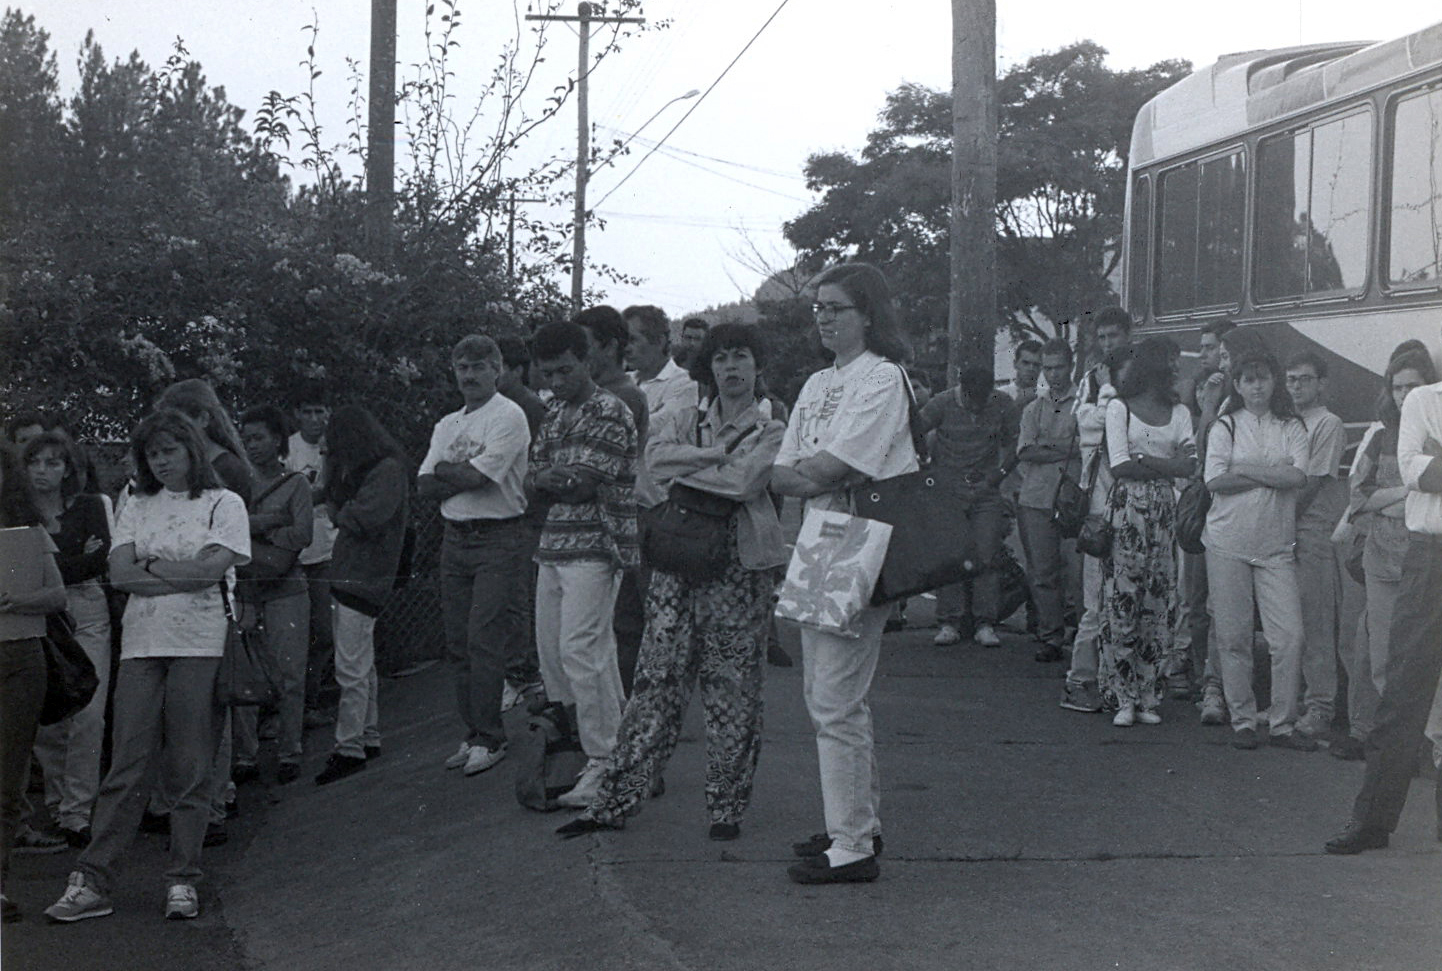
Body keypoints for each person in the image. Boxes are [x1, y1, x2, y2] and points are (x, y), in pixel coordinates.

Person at [557, 323, 785, 841]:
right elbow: (652, 462)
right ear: (709, 367)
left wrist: (689, 471)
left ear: (757, 366)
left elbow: (746, 482)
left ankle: (726, 809)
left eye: (741, 357)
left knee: (733, 691)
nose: (731, 368)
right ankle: (616, 801)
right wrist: (714, 459)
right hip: (676, 567)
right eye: (722, 358)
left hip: (739, 572)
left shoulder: (772, 428)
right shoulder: (684, 416)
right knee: (654, 684)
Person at [44, 409, 249, 923]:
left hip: (201, 642)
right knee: (127, 762)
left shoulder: (225, 503)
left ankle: (183, 879)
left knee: (190, 764)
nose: (160, 461)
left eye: (169, 450)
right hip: (142, 642)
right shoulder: (134, 502)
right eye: (152, 453)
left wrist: (152, 567)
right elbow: (120, 573)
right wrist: (176, 573)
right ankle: (92, 880)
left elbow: (213, 571)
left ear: (191, 451)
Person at [770, 261, 917, 885]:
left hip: (858, 537)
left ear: (868, 314)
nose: (824, 318)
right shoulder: (814, 383)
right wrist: (818, 471)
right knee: (824, 694)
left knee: (836, 697)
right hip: (820, 537)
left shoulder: (884, 379)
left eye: (836, 308)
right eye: (819, 309)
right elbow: (782, 473)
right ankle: (854, 824)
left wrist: (818, 471)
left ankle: (852, 844)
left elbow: (827, 469)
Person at [1324, 365, 1442, 853]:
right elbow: (1416, 472)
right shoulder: (1423, 401)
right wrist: (1430, 469)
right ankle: (1372, 822)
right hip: (1430, 557)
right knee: (1403, 692)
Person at [527, 320, 640, 808]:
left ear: (587, 360)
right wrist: (550, 477)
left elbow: (584, 482)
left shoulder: (611, 410)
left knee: (581, 651)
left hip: (597, 545)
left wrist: (549, 477)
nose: (556, 381)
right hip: (552, 547)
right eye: (549, 373)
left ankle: (606, 760)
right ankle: (621, 753)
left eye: (565, 370)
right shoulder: (553, 412)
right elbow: (534, 477)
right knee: (556, 653)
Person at [418, 335, 531, 778]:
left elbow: (482, 477)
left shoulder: (509, 415)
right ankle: (474, 731)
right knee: (458, 643)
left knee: (485, 639)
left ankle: (492, 736)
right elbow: (425, 483)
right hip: (455, 538)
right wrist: (456, 473)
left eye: (479, 366)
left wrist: (453, 471)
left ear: (497, 369)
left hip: (498, 538)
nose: (469, 375)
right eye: (462, 367)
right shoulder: (446, 424)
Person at [148, 378, 253, 844]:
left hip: (219, 596)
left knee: (215, 706)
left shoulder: (226, 469)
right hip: (177, 603)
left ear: (203, 420)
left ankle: (213, 802)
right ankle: (187, 799)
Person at [1203, 345, 1315, 751]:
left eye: (1263, 378)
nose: (1257, 386)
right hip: (1226, 543)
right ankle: (1244, 721)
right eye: (1248, 379)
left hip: (1275, 549)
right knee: (1233, 636)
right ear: (1238, 384)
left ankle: (1283, 724)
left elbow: (1298, 477)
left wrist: (1245, 469)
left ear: (1274, 381)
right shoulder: (1225, 426)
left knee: (1289, 637)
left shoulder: (1292, 426)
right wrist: (1272, 474)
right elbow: (1214, 481)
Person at [1098, 340, 1196, 725]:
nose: (1174, 369)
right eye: (1169, 363)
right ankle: (1121, 695)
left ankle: (1147, 694)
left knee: (1159, 601)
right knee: (1123, 600)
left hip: (1164, 513)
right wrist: (1168, 465)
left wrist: (1151, 461)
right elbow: (1121, 465)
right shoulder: (1118, 408)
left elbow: (1190, 465)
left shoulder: (1180, 412)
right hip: (1127, 512)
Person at [313, 406, 409, 785]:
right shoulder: (382, 468)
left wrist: (338, 509)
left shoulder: (386, 470)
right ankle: (367, 736)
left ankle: (348, 746)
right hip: (358, 574)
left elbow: (363, 517)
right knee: (360, 663)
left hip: (363, 574)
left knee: (350, 667)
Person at [25, 431, 112, 846]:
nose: (44, 471)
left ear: (68, 469)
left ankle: (79, 810)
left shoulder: (92, 506)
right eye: (35, 462)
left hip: (86, 609)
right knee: (49, 716)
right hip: (41, 613)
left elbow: (100, 559)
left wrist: (58, 566)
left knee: (89, 713)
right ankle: (60, 806)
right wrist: (73, 560)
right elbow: (22, 571)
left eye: (54, 462)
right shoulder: (17, 513)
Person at [0, 446, 67, 923]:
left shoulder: (27, 530)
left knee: (6, 780)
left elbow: (58, 594)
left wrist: (17, 600)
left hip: (20, 656)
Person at [232, 406, 313, 786]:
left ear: (277, 440)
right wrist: (268, 523)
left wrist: (253, 535)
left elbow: (302, 536)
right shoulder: (237, 484)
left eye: (259, 437)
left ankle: (289, 750)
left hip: (286, 589)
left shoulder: (296, 483)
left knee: (290, 673)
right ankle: (246, 755)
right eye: (246, 439)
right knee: (245, 674)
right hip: (248, 589)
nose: (252, 446)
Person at [1059, 308, 1134, 714]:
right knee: (1095, 598)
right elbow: (1090, 426)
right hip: (1098, 502)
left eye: (1113, 336)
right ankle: (1080, 680)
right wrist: (1106, 392)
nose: (1107, 345)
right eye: (1101, 338)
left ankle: (1117, 680)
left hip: (1134, 500)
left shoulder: (1139, 373)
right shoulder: (1092, 379)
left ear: (1128, 334)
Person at [575, 306, 651, 692]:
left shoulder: (625, 397)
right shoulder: (591, 394)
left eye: (585, 345)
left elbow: (587, 472)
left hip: (614, 525)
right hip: (589, 528)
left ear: (609, 346)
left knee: (618, 625)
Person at [918, 366, 1018, 649]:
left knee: (986, 553)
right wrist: (925, 461)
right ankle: (950, 621)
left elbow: (1017, 444)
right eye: (972, 400)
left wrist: (997, 476)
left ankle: (984, 622)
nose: (977, 406)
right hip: (947, 488)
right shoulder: (942, 402)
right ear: (962, 390)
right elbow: (914, 427)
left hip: (985, 490)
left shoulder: (1003, 405)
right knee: (950, 555)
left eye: (982, 400)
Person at [1284, 351, 1349, 739]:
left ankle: (1321, 707)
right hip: (1283, 529)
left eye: (1304, 379)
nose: (1296, 386)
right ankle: (1289, 704)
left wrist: (1277, 519)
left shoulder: (1328, 423)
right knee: (1289, 622)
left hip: (1313, 531)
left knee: (1316, 621)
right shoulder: (1285, 421)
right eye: (1291, 379)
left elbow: (1310, 484)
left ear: (1321, 384)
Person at [1016, 339, 1080, 663]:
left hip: (1072, 499)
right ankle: (1051, 636)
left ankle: (1082, 635)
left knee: (1077, 571)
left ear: (1071, 366)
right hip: (1037, 497)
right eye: (1048, 368)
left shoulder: (1084, 403)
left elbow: (1085, 447)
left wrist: (1049, 447)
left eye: (1059, 367)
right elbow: (1025, 450)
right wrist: (1065, 447)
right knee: (1042, 572)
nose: (1054, 374)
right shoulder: (1033, 409)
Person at [285, 385, 339, 730]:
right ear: (297, 414)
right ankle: (285, 709)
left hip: (328, 550)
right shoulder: (288, 450)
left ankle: (309, 702)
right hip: (293, 555)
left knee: (324, 634)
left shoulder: (334, 447)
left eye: (321, 411)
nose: (316, 419)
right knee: (291, 636)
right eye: (308, 411)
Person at [497, 334, 547, 706]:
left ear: (517, 370)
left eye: (499, 368)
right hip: (509, 514)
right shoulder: (497, 406)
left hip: (525, 514)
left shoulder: (528, 408)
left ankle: (523, 674)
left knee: (518, 595)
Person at [624, 304, 698, 426]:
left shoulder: (685, 384)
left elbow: (658, 428)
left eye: (633, 340)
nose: (626, 348)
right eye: (623, 340)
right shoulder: (626, 380)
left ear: (659, 341)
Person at [1005, 339, 1043, 412]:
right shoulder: (1000, 395)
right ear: (1015, 364)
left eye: (1036, 365)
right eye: (1025, 363)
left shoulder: (1049, 396)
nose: (1031, 369)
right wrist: (1018, 404)